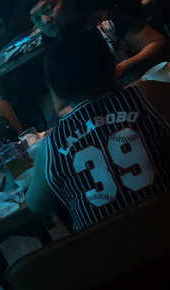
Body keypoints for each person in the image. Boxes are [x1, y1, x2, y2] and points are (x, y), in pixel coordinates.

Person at [26, 27, 170, 229]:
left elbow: (36, 204)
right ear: (112, 66)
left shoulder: (50, 146)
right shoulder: (148, 94)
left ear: (55, 88)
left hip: (105, 254)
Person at [30, 0, 169, 82]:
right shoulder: (55, 52)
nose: (45, 20)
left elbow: (158, 43)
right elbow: (62, 107)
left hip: (149, 83)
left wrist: (123, 68)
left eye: (49, 8)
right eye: (36, 19)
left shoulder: (107, 20)